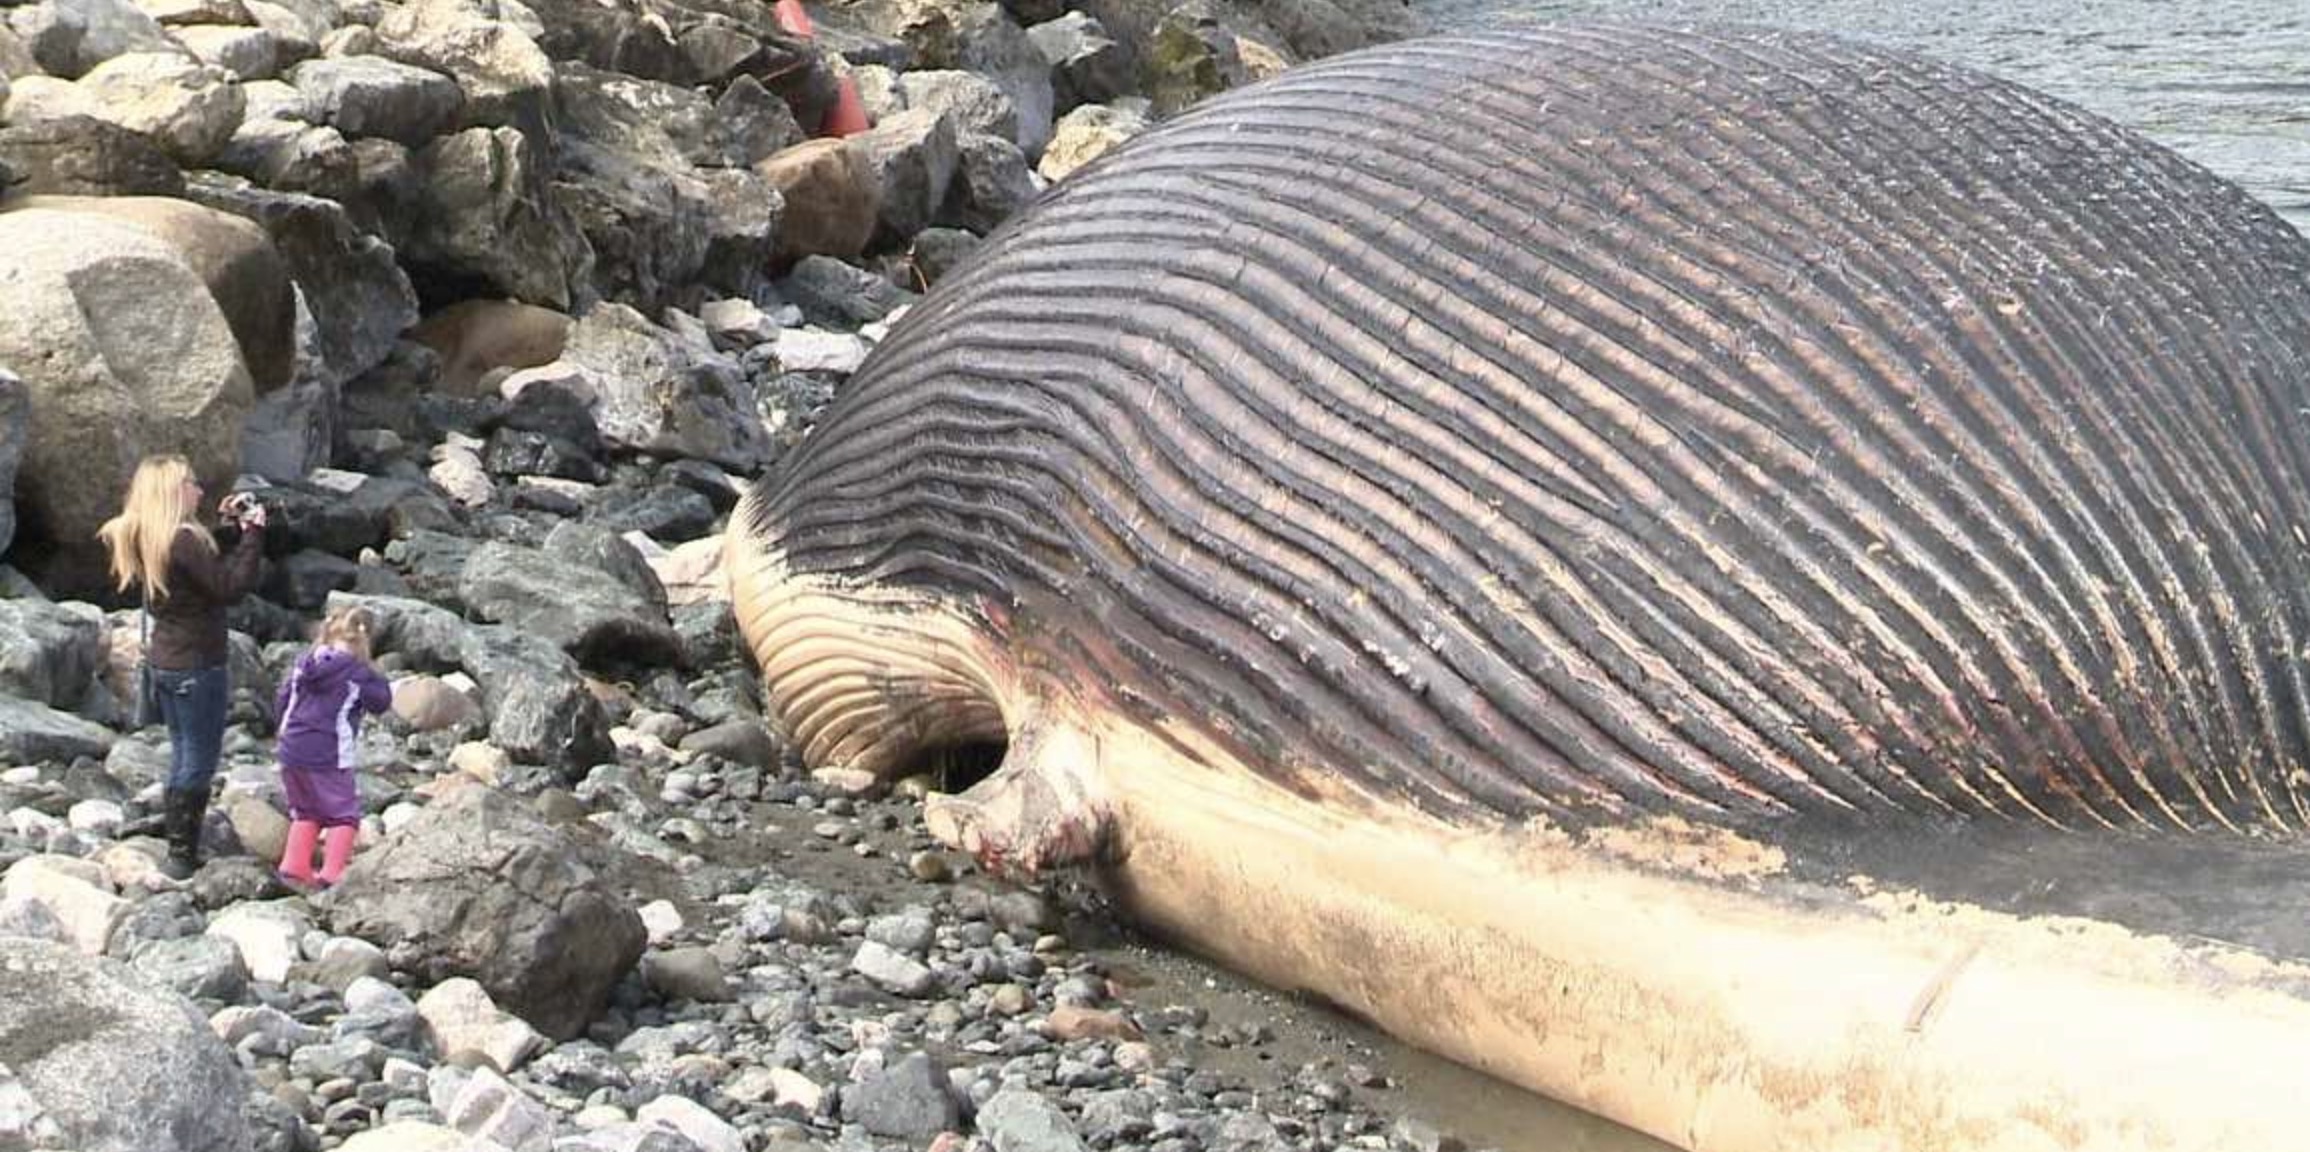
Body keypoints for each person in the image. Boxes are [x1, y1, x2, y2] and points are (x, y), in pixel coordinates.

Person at [96, 455, 268, 879]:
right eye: (192, 483)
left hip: (166, 662)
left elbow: (198, 571)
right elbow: (229, 586)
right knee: (199, 759)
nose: (200, 490)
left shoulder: (143, 534)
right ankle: (181, 855)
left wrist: (229, 530)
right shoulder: (182, 539)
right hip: (197, 664)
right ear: (173, 490)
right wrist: (253, 535)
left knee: (182, 752)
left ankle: (178, 842)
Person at [271, 605, 391, 888]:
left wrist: (281, 731)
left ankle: (295, 864)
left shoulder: (304, 664)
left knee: (305, 809)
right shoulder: (357, 674)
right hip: (328, 751)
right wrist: (373, 671)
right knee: (343, 813)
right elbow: (381, 701)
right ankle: (332, 871)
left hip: (291, 749)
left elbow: (282, 698)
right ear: (361, 643)